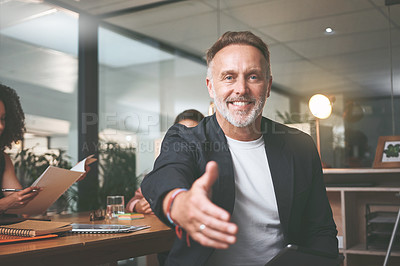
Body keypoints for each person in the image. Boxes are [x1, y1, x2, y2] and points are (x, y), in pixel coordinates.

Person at [141, 31, 338, 266]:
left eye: (253, 76)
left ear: (268, 86)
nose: (241, 89)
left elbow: (321, 231)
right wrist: (179, 202)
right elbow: (166, 174)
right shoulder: (186, 138)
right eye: (228, 77)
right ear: (211, 87)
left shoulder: (300, 146)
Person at [125, 109, 205, 214]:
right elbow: (135, 199)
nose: (186, 139)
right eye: (180, 134)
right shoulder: (163, 169)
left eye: (192, 132)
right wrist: (137, 206)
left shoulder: (210, 169)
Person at [0, 84, 40, 214]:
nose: (1, 126)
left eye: (3, 119)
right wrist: (5, 203)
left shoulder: (3, 159)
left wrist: (66, 180)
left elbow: (19, 202)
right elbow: (9, 202)